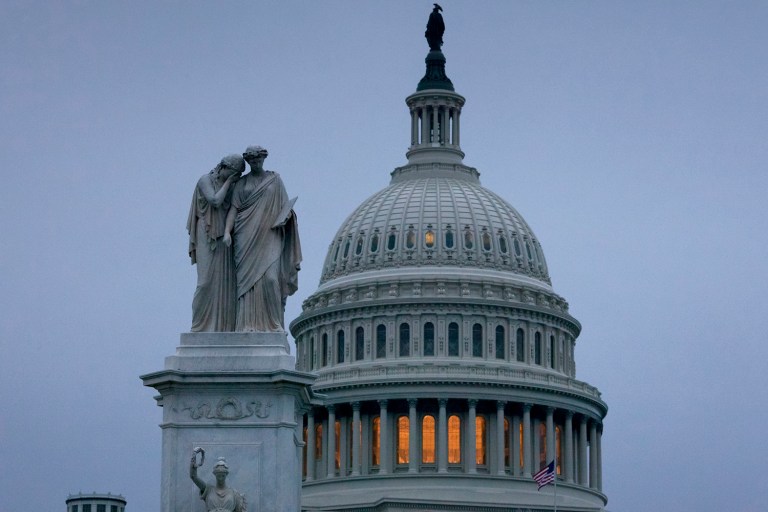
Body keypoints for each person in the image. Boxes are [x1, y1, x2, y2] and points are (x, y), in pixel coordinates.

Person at [224, 146, 301, 332]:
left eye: (258, 160)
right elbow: (234, 210)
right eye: (252, 161)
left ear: (263, 160)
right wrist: (227, 232)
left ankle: (274, 324)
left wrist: (287, 217)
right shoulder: (241, 184)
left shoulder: (275, 181)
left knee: (270, 280)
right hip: (245, 235)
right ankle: (246, 324)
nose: (255, 163)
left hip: (271, 235)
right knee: (246, 284)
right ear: (248, 162)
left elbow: (286, 207)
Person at [187, 154, 244, 332]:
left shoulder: (233, 186)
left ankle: (222, 328)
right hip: (206, 231)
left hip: (224, 237)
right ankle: (199, 326)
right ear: (224, 168)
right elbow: (215, 200)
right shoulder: (205, 180)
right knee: (204, 283)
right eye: (234, 174)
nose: (236, 178)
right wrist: (229, 182)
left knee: (225, 284)